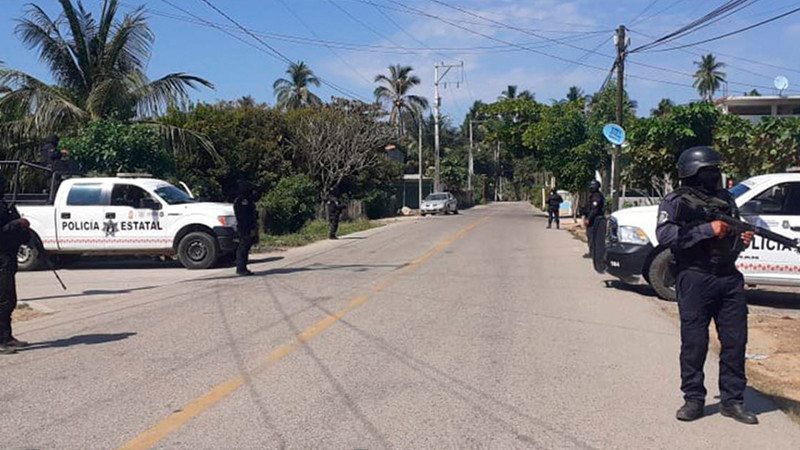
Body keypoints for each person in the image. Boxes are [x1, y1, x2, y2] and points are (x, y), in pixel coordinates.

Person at [656, 146, 757, 425]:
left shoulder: (726, 199)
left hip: (728, 277)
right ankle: (693, 399)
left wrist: (741, 239)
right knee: (695, 343)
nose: (715, 175)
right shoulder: (676, 200)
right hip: (694, 277)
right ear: (693, 172)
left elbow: (733, 236)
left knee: (735, 341)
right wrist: (707, 229)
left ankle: (732, 401)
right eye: (709, 170)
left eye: (716, 169)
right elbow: (665, 235)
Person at [0, 173, 31, 354]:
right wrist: (18, 224)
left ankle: (7, 337)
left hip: (8, 257)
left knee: (8, 299)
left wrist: (21, 227)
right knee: (3, 299)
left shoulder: (4, 205)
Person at [233, 180, 257, 276]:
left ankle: (243, 267)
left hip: (245, 226)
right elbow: (245, 216)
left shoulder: (244, 199)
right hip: (245, 227)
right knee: (243, 247)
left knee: (245, 247)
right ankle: (241, 268)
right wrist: (250, 227)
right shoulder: (243, 201)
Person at [581, 180, 605, 258]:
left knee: (593, 237)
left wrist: (588, 219)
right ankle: (592, 252)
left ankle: (593, 253)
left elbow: (594, 210)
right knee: (590, 236)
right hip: (593, 219)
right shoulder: (592, 196)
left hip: (595, 220)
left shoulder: (596, 197)